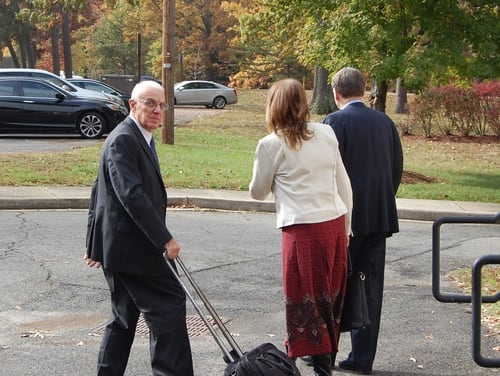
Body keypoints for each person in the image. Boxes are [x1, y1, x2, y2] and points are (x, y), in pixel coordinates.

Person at [84, 80, 194, 376]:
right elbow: (129, 194)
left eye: (161, 105)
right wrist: (165, 239)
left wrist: (94, 244)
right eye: (150, 103)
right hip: (134, 248)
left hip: (123, 247)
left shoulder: (140, 136)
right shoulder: (123, 139)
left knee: (123, 318)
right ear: (132, 105)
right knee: (169, 304)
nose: (157, 110)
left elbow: (100, 189)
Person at [249, 78, 353, 376]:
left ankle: (294, 365)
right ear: (303, 103)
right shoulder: (326, 132)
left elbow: (257, 192)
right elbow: (343, 183)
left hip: (301, 229)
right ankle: (322, 367)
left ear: (273, 106)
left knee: (301, 301)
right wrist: (347, 228)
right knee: (329, 301)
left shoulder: (270, 144)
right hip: (333, 224)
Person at [323, 67, 403, 375]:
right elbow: (396, 167)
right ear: (363, 89)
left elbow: (326, 170)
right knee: (371, 287)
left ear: (336, 93)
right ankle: (362, 357)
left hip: (344, 218)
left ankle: (326, 353)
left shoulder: (333, 122)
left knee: (335, 286)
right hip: (379, 216)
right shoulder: (384, 122)